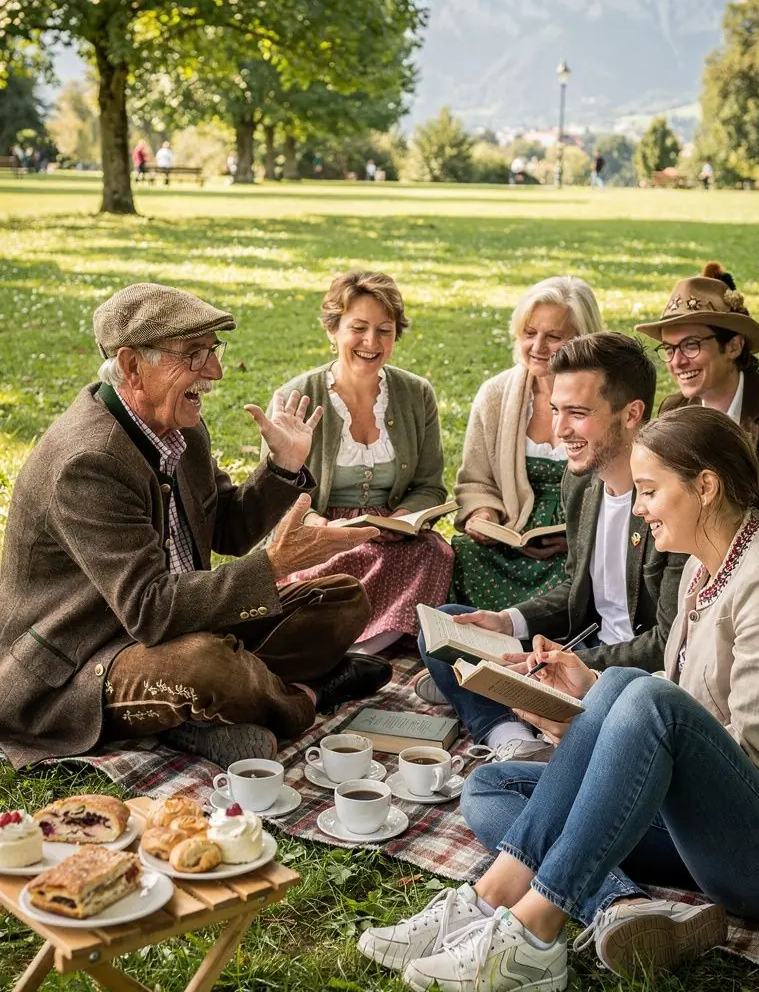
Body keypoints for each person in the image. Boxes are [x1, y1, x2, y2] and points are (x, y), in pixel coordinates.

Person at [359, 410, 759, 992]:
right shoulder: (704, 566)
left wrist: (616, 734)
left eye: (650, 491)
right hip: (704, 831)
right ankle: (568, 902)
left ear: (705, 486)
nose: (641, 508)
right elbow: (686, 694)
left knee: (639, 694)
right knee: (494, 786)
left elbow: (748, 756)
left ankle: (534, 935)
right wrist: (590, 689)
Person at [0, 284, 392, 772]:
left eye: (213, 350)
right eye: (193, 355)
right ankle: (304, 699)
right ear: (131, 365)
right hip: (84, 662)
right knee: (206, 663)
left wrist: (284, 467)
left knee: (341, 599)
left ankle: (207, 709)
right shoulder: (89, 462)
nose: (215, 372)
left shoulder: (179, 426)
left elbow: (227, 530)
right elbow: (150, 611)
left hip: (178, 623)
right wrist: (274, 565)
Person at [413, 333, 686, 762]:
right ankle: (513, 737)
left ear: (632, 414)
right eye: (557, 410)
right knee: (446, 625)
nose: (559, 430)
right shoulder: (581, 484)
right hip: (577, 654)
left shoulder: (668, 502)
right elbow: (578, 590)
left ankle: (507, 713)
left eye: (577, 413)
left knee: (489, 785)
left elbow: (669, 641)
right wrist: (508, 622)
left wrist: (569, 662)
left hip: (631, 681)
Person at [268, 271, 454, 655]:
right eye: (358, 328)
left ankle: (365, 651)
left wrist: (402, 518)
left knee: (435, 555)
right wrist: (319, 525)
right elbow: (274, 494)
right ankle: (341, 648)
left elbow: (429, 485)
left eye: (384, 331)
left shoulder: (417, 394)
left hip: (389, 533)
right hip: (321, 530)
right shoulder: (294, 396)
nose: (371, 342)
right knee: (324, 573)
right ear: (333, 330)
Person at [449, 276, 603, 612]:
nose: (538, 346)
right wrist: (483, 514)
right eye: (529, 333)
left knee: (583, 575)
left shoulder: (606, 397)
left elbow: (622, 487)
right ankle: (479, 636)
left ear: (583, 338)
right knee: (463, 553)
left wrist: (576, 537)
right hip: (510, 538)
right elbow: (476, 480)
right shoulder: (495, 395)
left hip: (580, 544)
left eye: (554, 337)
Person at [638, 262, 759, 531]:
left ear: (734, 346)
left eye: (690, 345)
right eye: (669, 349)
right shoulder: (674, 410)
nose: (677, 362)